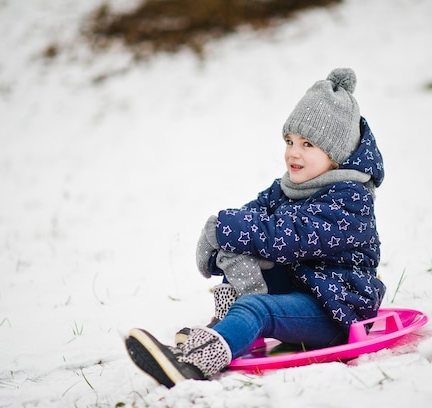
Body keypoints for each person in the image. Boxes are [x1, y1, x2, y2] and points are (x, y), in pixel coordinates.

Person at [125, 68, 386, 388]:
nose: (293, 152)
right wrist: (219, 239)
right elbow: (250, 218)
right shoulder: (288, 187)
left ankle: (195, 361)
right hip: (300, 291)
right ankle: (226, 327)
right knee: (239, 244)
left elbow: (289, 236)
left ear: (335, 155)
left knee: (255, 304)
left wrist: (223, 227)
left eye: (307, 144)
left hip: (335, 311)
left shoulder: (351, 199)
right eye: (290, 140)